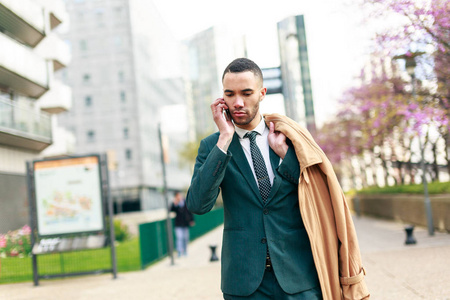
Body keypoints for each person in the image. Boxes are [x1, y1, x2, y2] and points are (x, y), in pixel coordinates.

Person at [186, 58, 370, 300]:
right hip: (244, 283)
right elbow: (198, 204)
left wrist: (286, 157)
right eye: (230, 94)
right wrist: (224, 139)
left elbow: (314, 191)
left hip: (299, 276)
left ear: (262, 93)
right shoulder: (213, 146)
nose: (238, 103)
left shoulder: (291, 139)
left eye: (247, 93)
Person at [170, 191, 194, 257]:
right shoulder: (175, 203)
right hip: (178, 224)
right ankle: (179, 251)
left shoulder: (185, 202)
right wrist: (175, 204)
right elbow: (171, 210)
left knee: (185, 238)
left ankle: (185, 250)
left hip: (185, 223)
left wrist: (192, 220)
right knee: (179, 237)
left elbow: (190, 211)